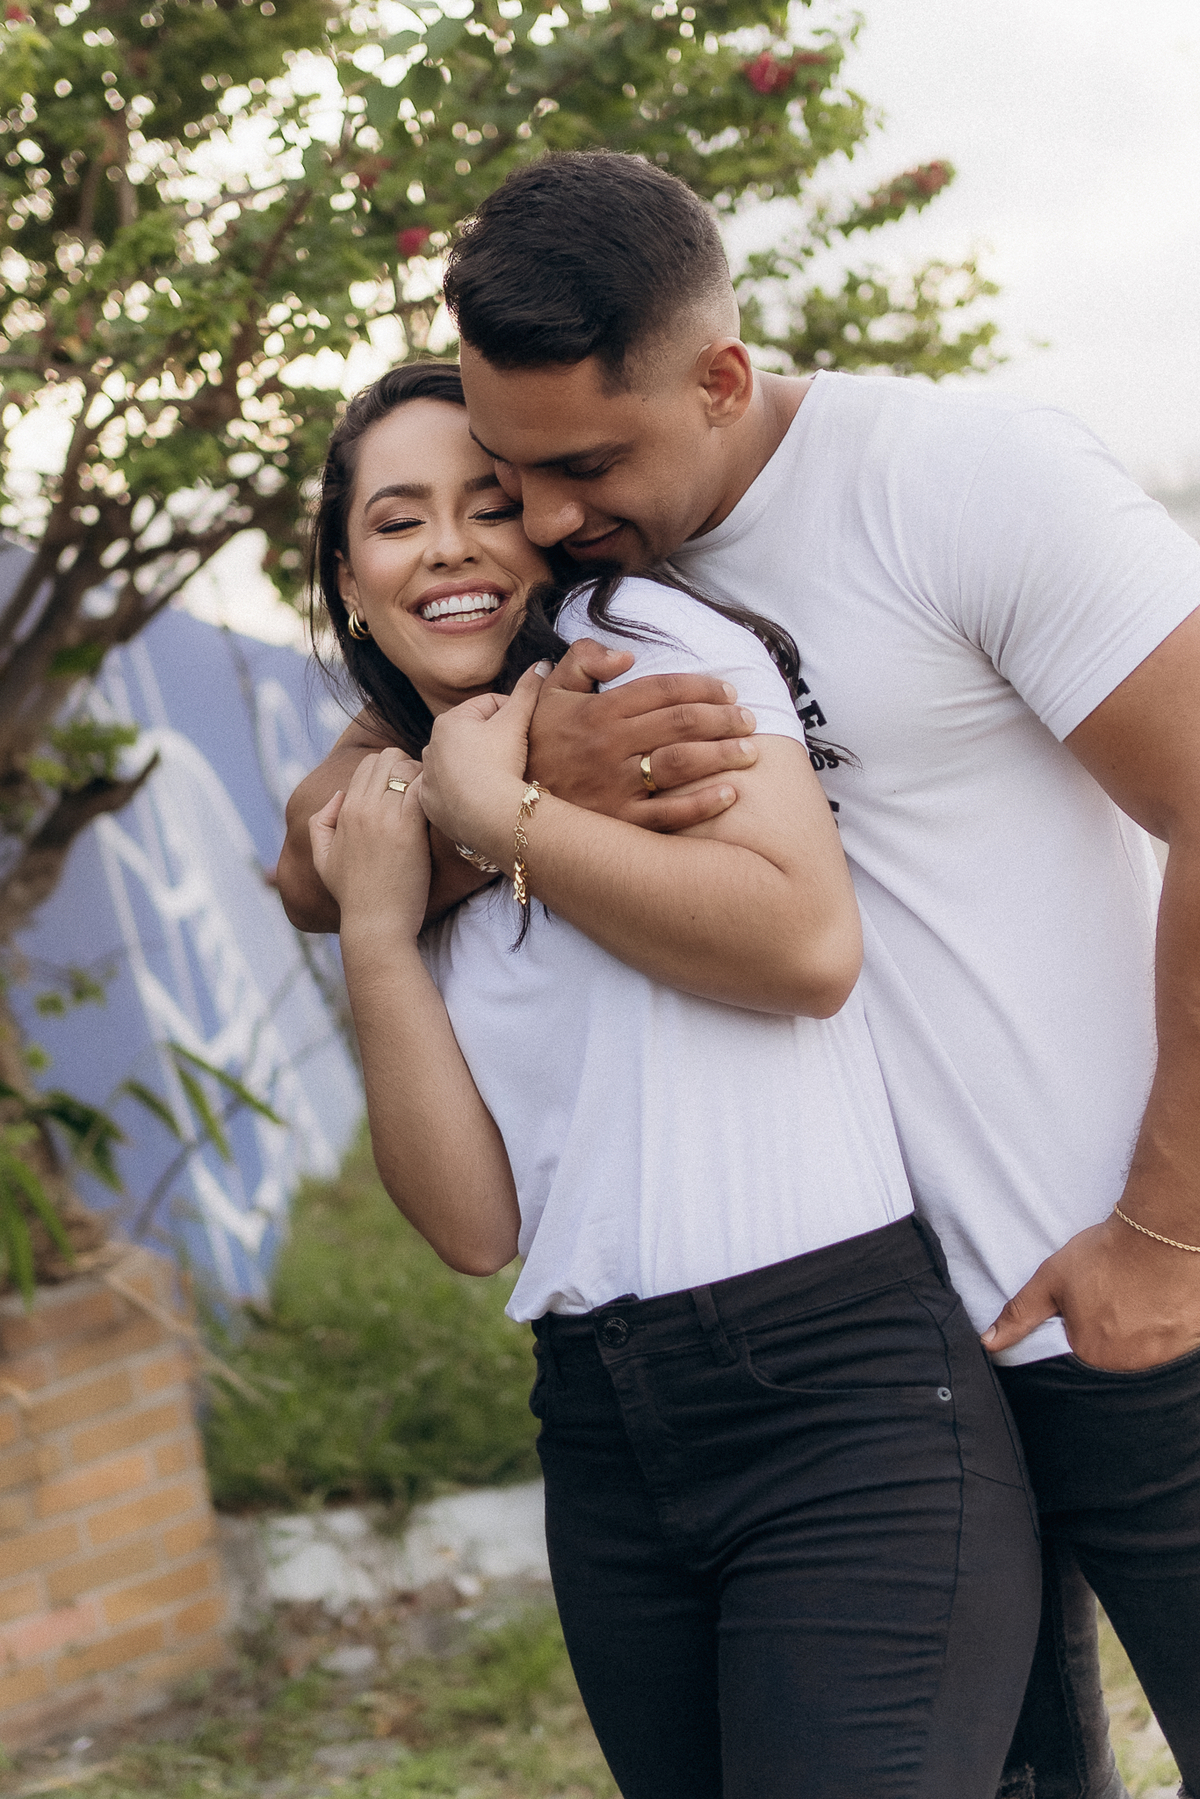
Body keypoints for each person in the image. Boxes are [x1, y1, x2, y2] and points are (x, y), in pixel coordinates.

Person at [277, 157, 1200, 1799]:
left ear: (719, 377)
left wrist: (1167, 1228)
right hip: (938, 1335)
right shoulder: (592, 617)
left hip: (1138, 1306)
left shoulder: (954, 481)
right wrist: (483, 798)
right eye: (506, 470)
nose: (545, 515)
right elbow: (327, 838)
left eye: (572, 470)